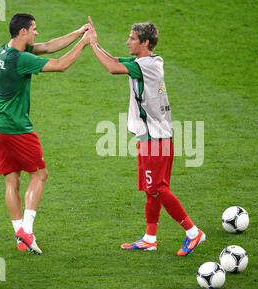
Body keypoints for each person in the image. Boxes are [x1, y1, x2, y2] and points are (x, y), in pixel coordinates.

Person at [86, 17, 205, 256]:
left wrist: (90, 45)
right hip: (154, 137)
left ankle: (193, 233)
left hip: (155, 140)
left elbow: (111, 68)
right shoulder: (146, 60)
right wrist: (95, 43)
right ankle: (150, 238)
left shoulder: (145, 66)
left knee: (159, 189)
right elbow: (115, 60)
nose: (127, 41)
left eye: (132, 38)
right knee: (152, 189)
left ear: (145, 42)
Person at [0, 13, 90, 254]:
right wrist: (84, 44)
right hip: (16, 129)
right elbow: (61, 65)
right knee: (39, 175)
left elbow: (46, 47)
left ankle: (19, 236)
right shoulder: (21, 59)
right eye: (33, 29)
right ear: (23, 31)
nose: (37, 32)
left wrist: (78, 32)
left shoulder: (3, 50)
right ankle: (28, 230)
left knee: (12, 180)